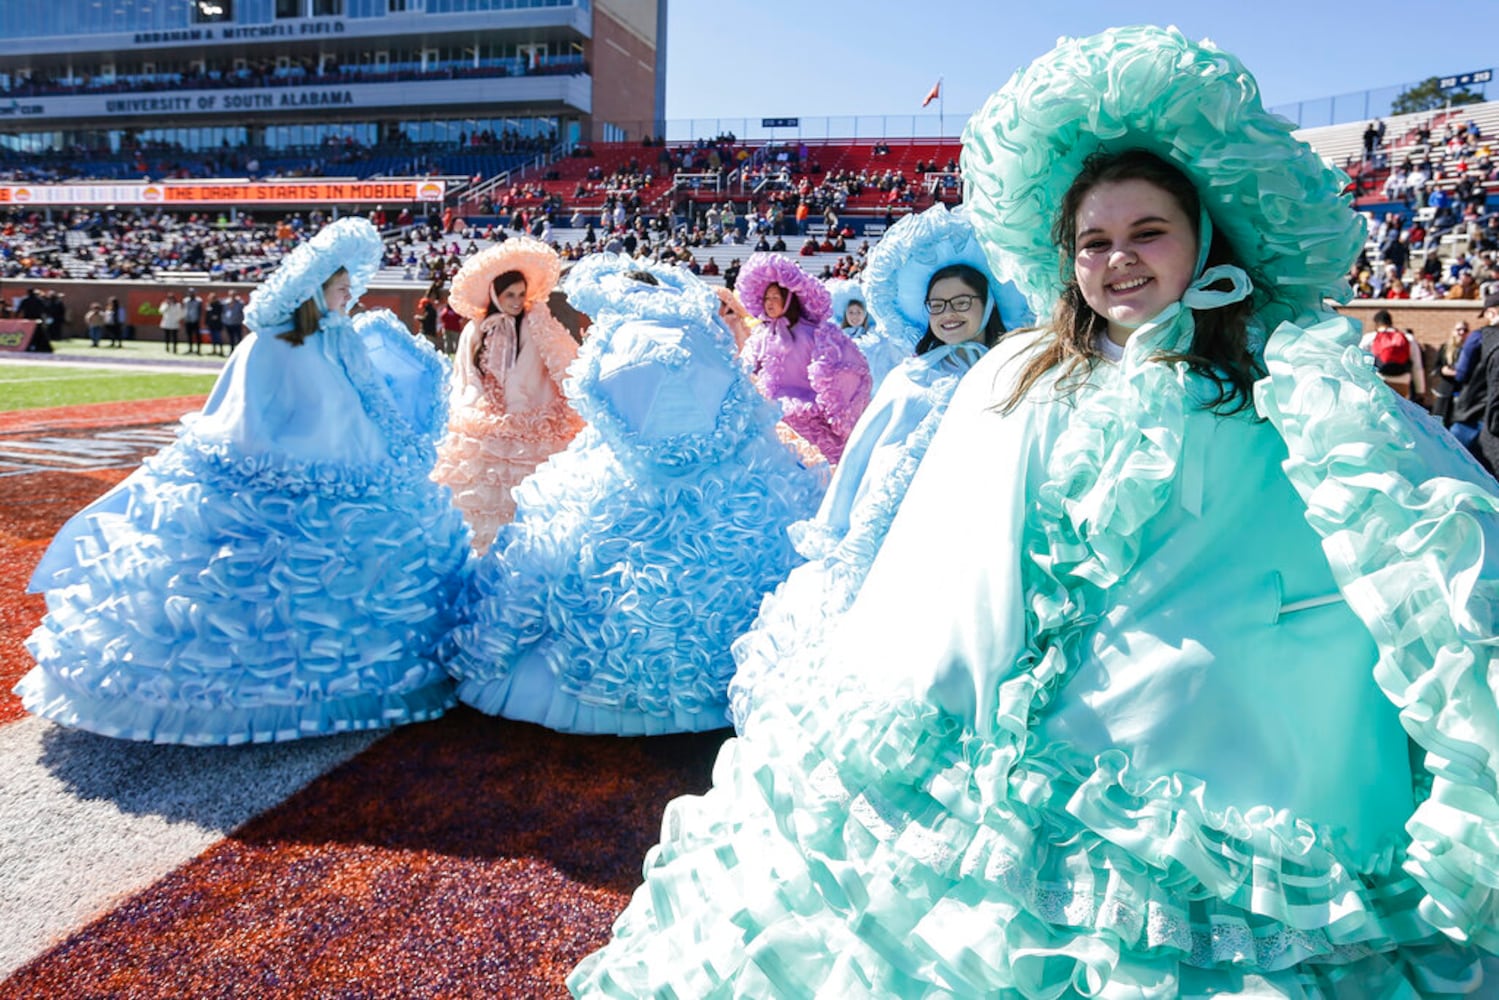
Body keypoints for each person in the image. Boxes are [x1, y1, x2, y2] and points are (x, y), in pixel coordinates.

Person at [570, 26, 1499, 996]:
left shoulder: (1279, 373)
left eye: (1148, 233)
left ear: (1202, 242)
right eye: (1094, 241)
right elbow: (956, 546)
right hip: (1020, 713)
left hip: (1216, 736)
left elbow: (1390, 514)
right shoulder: (1022, 369)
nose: (1119, 260)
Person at [16, 218, 472, 745]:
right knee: (267, 589)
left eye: (350, 288)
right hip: (275, 482)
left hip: (357, 472)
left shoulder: (339, 339)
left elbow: (364, 402)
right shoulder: (269, 344)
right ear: (312, 291)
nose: (351, 296)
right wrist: (289, 466)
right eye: (341, 288)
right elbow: (242, 417)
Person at [441, 256, 824, 736]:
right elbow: (732, 402)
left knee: (572, 553)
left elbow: (602, 396)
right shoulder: (695, 332)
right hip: (710, 471)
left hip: (632, 469)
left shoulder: (625, 333)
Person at [729, 204, 1029, 731]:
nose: (949, 314)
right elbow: (871, 458)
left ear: (987, 305)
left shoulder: (1013, 374)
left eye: (962, 302)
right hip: (905, 533)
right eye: (938, 305)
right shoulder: (912, 377)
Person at [430, 237, 585, 554]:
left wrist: (516, 409)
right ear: (495, 296)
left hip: (525, 413)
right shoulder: (477, 328)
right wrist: (479, 405)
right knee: (479, 486)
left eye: (521, 294)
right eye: (509, 295)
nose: (516, 301)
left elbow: (533, 371)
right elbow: (466, 373)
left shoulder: (534, 324)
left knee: (521, 489)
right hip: (484, 414)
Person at [737, 253, 873, 464]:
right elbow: (746, 371)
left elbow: (845, 365)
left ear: (789, 299)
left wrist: (833, 407)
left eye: (775, 297)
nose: (769, 303)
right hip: (769, 419)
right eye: (766, 298)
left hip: (808, 420)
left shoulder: (815, 333)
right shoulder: (761, 336)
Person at [826, 277, 907, 392]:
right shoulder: (837, 335)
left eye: (859, 312)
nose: (855, 317)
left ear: (865, 315)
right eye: (851, 312)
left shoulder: (876, 335)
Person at [1359, 307, 1427, 404]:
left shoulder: (1369, 338)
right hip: (1402, 381)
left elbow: (1359, 363)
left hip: (1380, 380)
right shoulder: (1408, 338)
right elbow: (1417, 366)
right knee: (1400, 412)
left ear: (1376, 324)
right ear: (1391, 322)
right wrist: (1420, 391)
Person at [181, 288, 203, 355]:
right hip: (188, 320)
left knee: (197, 336)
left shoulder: (199, 300)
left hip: (195, 320)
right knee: (189, 335)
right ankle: (190, 349)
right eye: (190, 292)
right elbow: (183, 309)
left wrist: (198, 319)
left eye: (192, 292)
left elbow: (200, 311)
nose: (191, 294)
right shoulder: (185, 300)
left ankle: (198, 350)